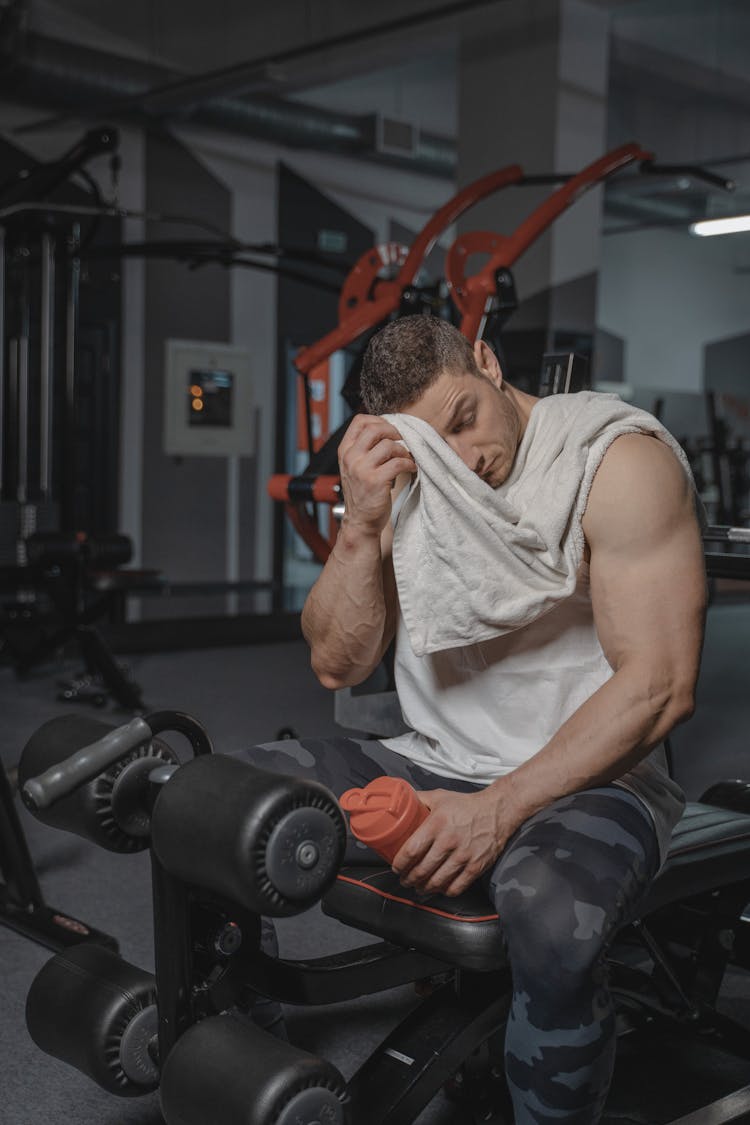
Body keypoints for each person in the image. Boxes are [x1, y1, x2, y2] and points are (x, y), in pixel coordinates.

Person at [241, 315, 706, 1124]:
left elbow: (660, 686)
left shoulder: (615, 462)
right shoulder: (414, 480)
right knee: (228, 805)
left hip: (596, 776)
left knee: (549, 913)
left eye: (465, 418)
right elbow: (335, 663)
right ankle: (255, 1066)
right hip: (432, 757)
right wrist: (361, 526)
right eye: (432, 445)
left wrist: (495, 809)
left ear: (488, 362)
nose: (463, 460)